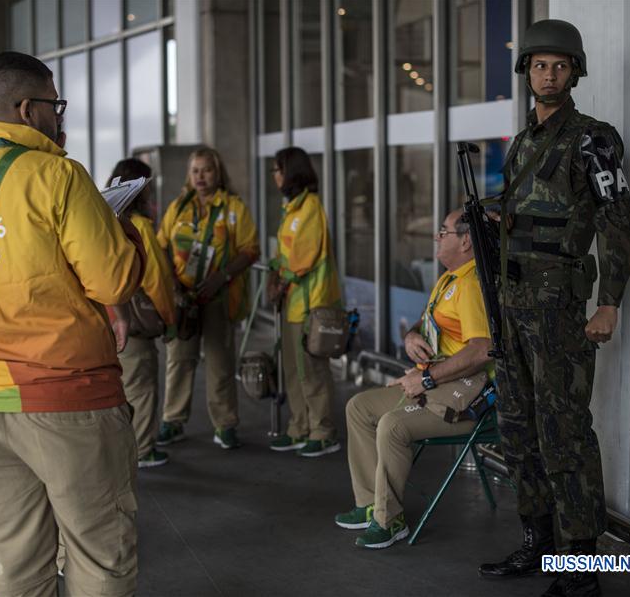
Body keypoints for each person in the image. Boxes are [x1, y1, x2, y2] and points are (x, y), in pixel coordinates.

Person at [0, 52, 145, 596]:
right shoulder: (58, 176)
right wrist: (123, 233)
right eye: (54, 105)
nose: (59, 118)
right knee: (98, 555)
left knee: (15, 564)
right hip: (69, 403)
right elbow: (113, 284)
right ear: (28, 109)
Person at [478, 20, 630, 597]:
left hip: (558, 312)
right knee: (517, 430)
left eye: (559, 65)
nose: (549, 74)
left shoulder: (593, 138)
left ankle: (580, 565)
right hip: (513, 307)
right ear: (527, 72)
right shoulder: (523, 144)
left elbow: (618, 226)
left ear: (574, 72)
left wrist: (609, 303)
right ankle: (538, 543)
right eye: (539, 65)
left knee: (563, 433)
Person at [334, 209, 493, 549]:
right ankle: (368, 505)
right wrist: (410, 338)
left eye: (443, 231)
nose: (436, 236)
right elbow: (422, 325)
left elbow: (482, 351)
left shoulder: (472, 284)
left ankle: (389, 521)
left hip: (463, 400)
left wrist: (427, 379)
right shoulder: (448, 279)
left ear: (465, 240)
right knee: (359, 407)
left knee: (392, 425)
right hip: (432, 386)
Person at [155, 147, 259, 450]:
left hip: (219, 297)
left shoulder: (233, 207)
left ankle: (225, 424)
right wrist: (172, 283)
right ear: (189, 175)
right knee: (179, 360)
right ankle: (172, 420)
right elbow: (161, 245)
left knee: (220, 362)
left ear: (218, 173)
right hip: (183, 298)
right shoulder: (178, 207)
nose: (201, 176)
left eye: (207, 170)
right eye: (195, 171)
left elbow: (251, 249)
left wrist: (221, 277)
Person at [266, 146, 344, 457]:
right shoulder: (292, 209)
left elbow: (303, 258)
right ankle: (299, 426)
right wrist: (276, 280)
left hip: (312, 304)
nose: (275, 174)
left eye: (278, 168)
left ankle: (323, 431)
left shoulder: (310, 206)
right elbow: (281, 255)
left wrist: (279, 280)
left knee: (312, 370)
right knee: (293, 370)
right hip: (292, 303)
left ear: (291, 172)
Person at [108, 158, 176, 468]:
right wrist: (170, 320)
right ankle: (144, 449)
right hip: (134, 324)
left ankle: (122, 448)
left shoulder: (107, 220)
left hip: (108, 319)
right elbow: (157, 281)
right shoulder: (142, 229)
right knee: (142, 388)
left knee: (120, 388)